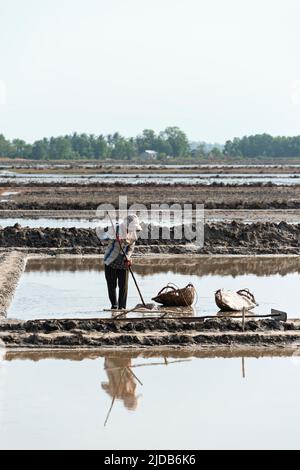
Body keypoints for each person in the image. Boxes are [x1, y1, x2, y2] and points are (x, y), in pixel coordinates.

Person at [101, 214, 142, 310]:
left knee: (123, 286)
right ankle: (114, 306)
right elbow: (103, 239)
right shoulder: (115, 229)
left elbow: (130, 248)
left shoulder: (133, 234)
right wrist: (114, 237)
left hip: (123, 262)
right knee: (112, 285)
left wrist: (127, 257)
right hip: (111, 261)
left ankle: (122, 307)